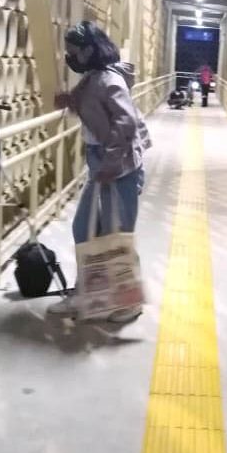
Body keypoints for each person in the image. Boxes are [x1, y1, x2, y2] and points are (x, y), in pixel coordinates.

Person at [49, 21, 152, 323]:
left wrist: (109, 164)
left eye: (73, 52)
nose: (70, 58)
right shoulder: (94, 77)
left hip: (118, 166)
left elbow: (126, 123)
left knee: (116, 235)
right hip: (100, 162)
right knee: (85, 229)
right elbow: (92, 105)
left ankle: (128, 301)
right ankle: (87, 292)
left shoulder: (109, 80)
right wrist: (69, 101)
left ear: (90, 50)